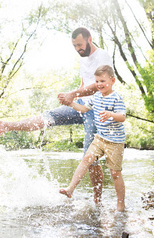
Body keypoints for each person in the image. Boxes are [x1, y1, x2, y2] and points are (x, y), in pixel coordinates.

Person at [0, 27, 112, 204]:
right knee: (48, 116)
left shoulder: (102, 56)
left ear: (90, 40)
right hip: (81, 105)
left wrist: (72, 94)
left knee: (90, 157)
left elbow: (100, 85)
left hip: (97, 110)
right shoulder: (83, 58)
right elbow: (84, 83)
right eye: (74, 46)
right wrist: (73, 97)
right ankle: (5, 126)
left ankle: (98, 202)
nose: (77, 49)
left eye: (80, 45)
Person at [59, 65, 126, 212]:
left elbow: (122, 117)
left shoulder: (116, 98)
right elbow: (84, 109)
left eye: (102, 81)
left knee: (115, 173)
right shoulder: (95, 97)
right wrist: (70, 103)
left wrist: (111, 115)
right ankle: (70, 189)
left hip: (115, 142)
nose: (99, 84)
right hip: (100, 138)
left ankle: (120, 205)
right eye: (97, 81)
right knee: (86, 159)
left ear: (113, 80)